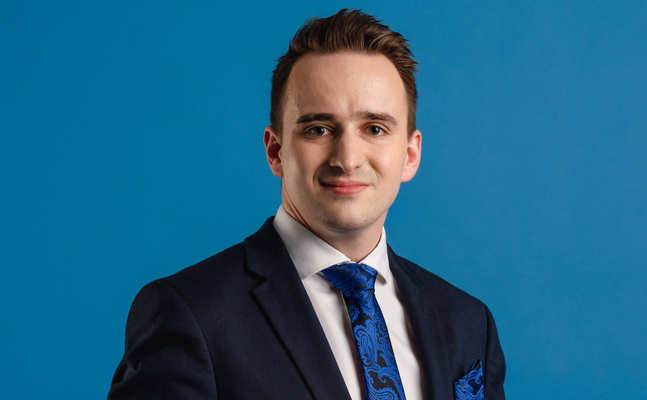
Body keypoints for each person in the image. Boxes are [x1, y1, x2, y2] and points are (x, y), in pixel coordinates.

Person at [108, 9, 505, 400]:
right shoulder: (191, 314)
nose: (347, 158)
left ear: (410, 154)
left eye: (374, 128)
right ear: (276, 151)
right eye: (318, 129)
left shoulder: (469, 323)